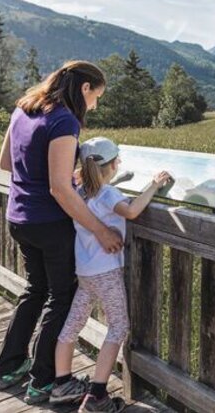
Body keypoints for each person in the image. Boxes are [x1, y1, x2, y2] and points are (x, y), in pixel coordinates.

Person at [0, 61, 125, 405]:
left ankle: (10, 367)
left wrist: (63, 175)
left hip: (19, 218)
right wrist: (100, 230)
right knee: (60, 297)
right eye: (97, 96)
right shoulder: (65, 120)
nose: (95, 104)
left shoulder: (24, 108)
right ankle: (45, 381)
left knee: (35, 289)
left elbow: (6, 163)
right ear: (85, 89)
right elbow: (59, 190)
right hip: (50, 223)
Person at [49, 137, 172, 412]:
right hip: (106, 272)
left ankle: (61, 384)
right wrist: (154, 184)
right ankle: (97, 396)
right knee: (118, 327)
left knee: (73, 323)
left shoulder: (80, 192)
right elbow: (131, 211)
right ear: (113, 164)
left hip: (86, 272)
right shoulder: (108, 194)